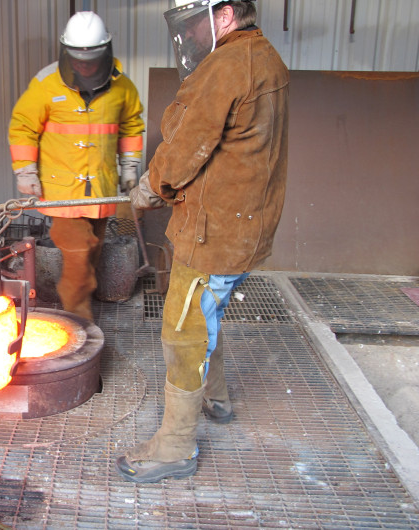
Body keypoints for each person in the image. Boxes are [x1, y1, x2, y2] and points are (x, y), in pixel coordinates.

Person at [116, 0, 288, 483]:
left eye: (196, 22)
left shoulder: (228, 65)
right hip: (243, 223)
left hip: (216, 231)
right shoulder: (265, 57)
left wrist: (151, 186)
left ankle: (174, 448)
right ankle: (216, 397)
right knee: (206, 311)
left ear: (227, 15)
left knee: (182, 328)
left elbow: (190, 143)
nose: (190, 34)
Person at [8, 11, 145, 322]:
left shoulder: (122, 87)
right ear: (66, 52)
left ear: (106, 51)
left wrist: (129, 168)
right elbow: (22, 127)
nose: (84, 65)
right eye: (78, 58)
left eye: (92, 58)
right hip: (62, 191)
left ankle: (79, 304)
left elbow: (132, 126)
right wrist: (26, 172)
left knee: (93, 249)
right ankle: (79, 324)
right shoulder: (45, 84)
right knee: (79, 257)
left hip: (100, 190)